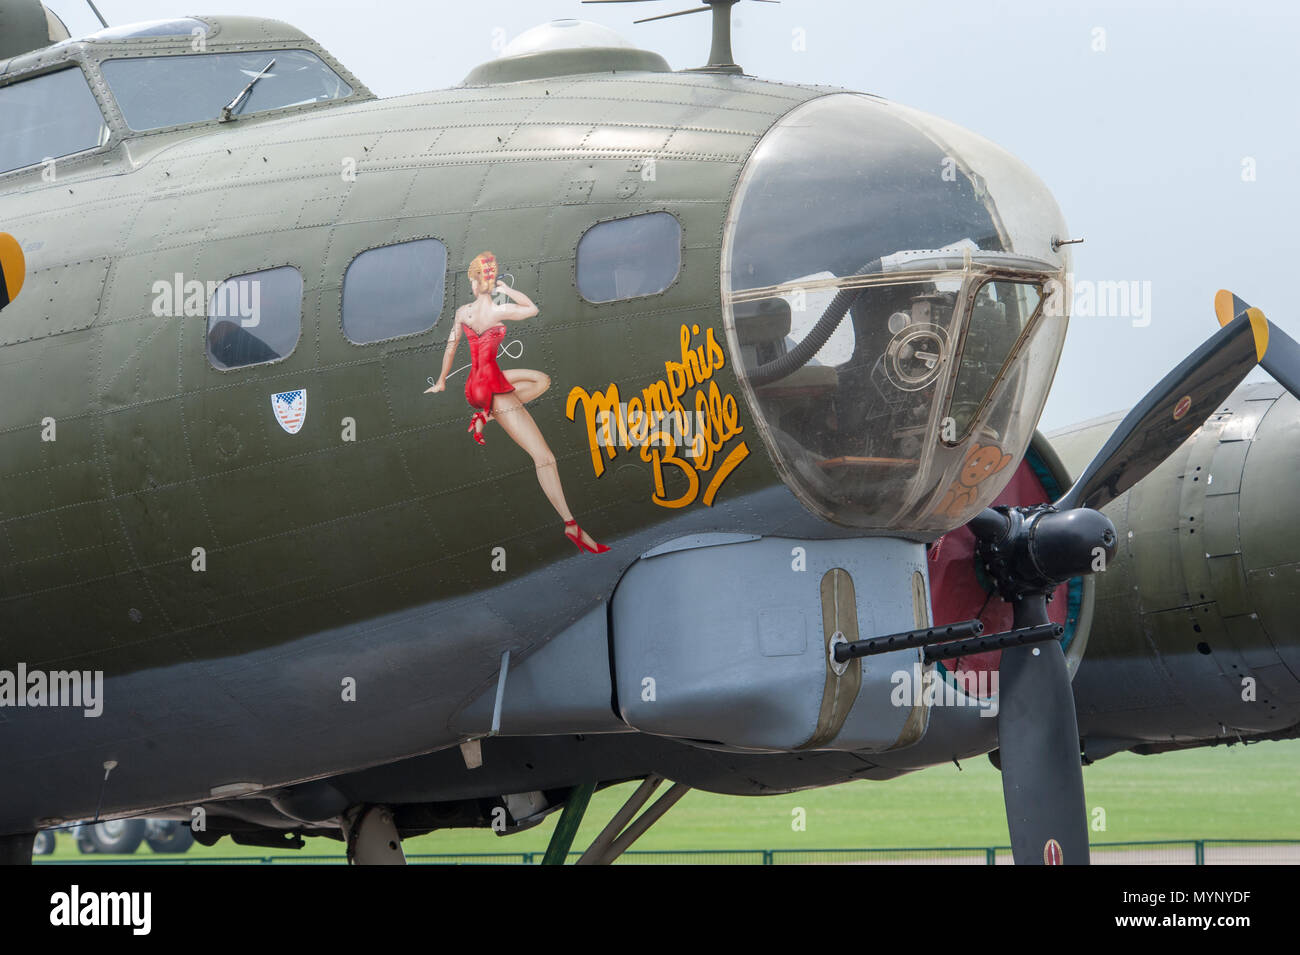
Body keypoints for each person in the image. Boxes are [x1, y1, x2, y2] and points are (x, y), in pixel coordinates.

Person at [426, 252, 609, 554]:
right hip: (493, 388)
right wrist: (507, 290)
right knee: (545, 458)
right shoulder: (499, 311)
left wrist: (442, 381)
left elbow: (450, 348)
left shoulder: (463, 313)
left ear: (474, 282)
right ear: (488, 282)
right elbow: (532, 309)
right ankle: (570, 525)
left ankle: (487, 416)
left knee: (540, 381)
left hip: (479, 384)